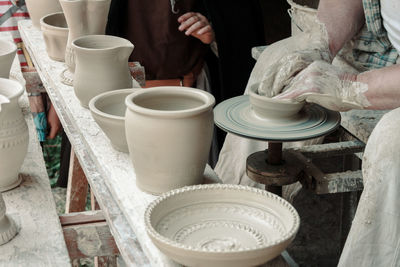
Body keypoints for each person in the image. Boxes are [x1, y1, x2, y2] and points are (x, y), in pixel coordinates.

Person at [216, 0, 400, 265]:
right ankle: (230, 233)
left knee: (392, 142)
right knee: (281, 64)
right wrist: (320, 46)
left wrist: (350, 87)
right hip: (382, 54)